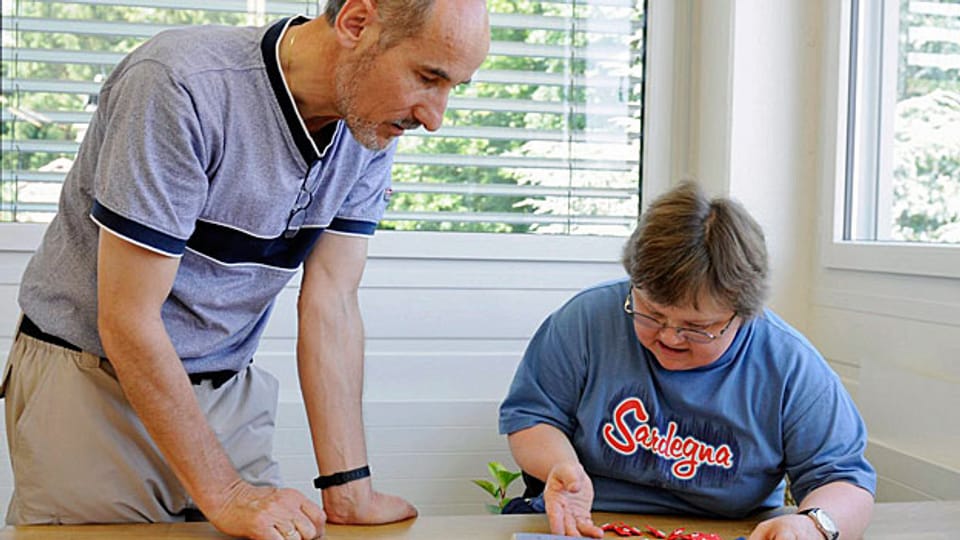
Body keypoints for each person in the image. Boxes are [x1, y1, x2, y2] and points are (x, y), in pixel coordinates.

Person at [0, 0, 489, 539]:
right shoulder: (180, 84)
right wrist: (228, 495)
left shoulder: (368, 123)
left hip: (227, 386)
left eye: (453, 88)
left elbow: (333, 300)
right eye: (427, 77)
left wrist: (348, 488)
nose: (434, 117)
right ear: (356, 23)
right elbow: (129, 319)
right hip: (95, 385)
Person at [499, 181, 876, 539]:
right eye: (650, 313)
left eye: (697, 327)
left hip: (729, 529)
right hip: (585, 523)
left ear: (743, 314)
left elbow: (843, 479)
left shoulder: (790, 365)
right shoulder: (585, 319)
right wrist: (561, 466)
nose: (669, 337)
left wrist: (813, 525)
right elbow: (532, 417)